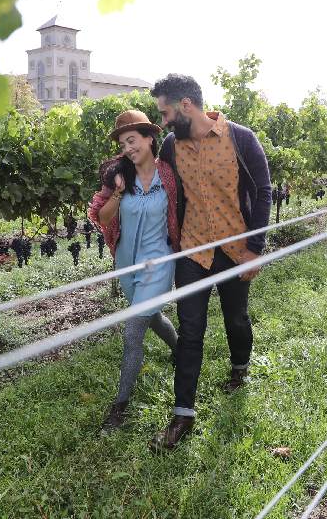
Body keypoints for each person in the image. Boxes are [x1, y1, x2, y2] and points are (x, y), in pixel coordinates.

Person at [148, 73, 272, 451]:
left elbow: (264, 191)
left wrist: (255, 248)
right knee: (190, 332)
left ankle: (240, 369)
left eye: (166, 112)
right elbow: (158, 184)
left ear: (187, 105)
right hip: (193, 251)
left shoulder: (241, 138)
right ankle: (183, 414)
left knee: (237, 317)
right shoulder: (171, 146)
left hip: (235, 251)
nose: (164, 122)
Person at [88, 109, 181, 430]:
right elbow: (102, 218)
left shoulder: (168, 175)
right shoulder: (119, 176)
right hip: (126, 263)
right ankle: (181, 349)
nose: (128, 148)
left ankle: (119, 406)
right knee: (151, 316)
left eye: (133, 140)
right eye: (123, 143)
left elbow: (183, 211)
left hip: (159, 262)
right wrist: (117, 191)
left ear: (149, 138)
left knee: (132, 332)